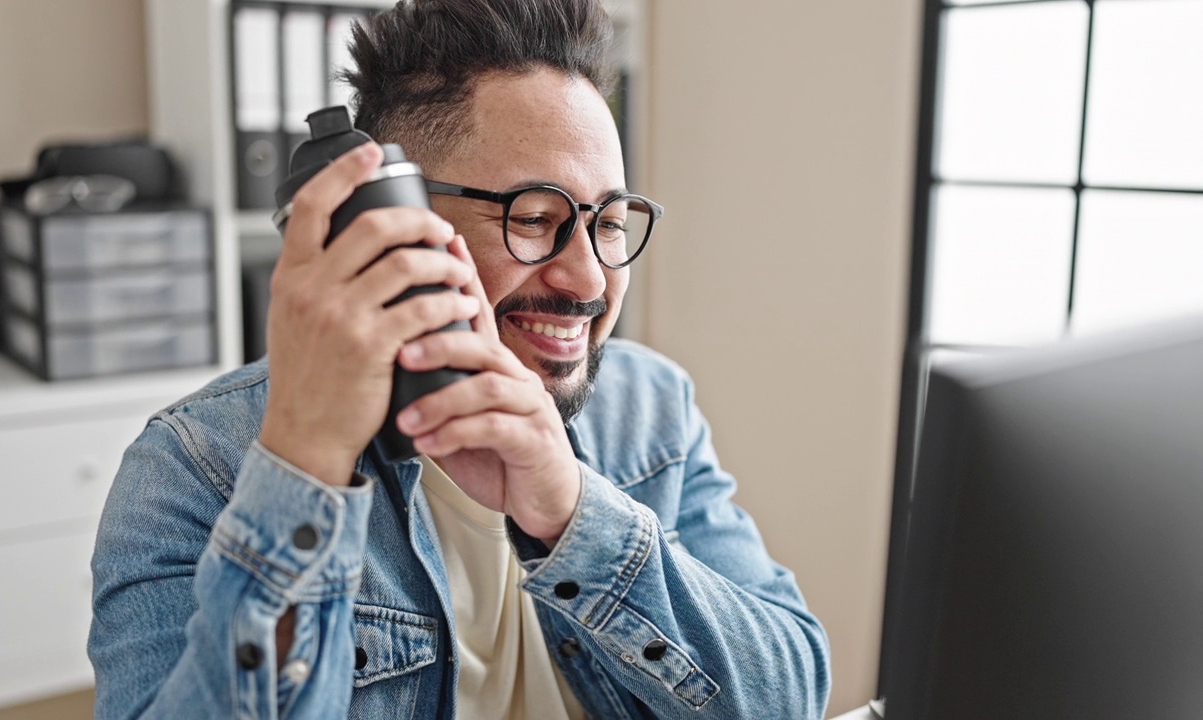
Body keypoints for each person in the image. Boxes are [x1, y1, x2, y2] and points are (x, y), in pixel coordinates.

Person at [88, 0, 831, 717]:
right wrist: (305, 464)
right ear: (387, 226)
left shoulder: (652, 409)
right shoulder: (193, 468)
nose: (589, 280)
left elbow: (790, 696)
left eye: (608, 223)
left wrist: (574, 513)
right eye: (535, 219)